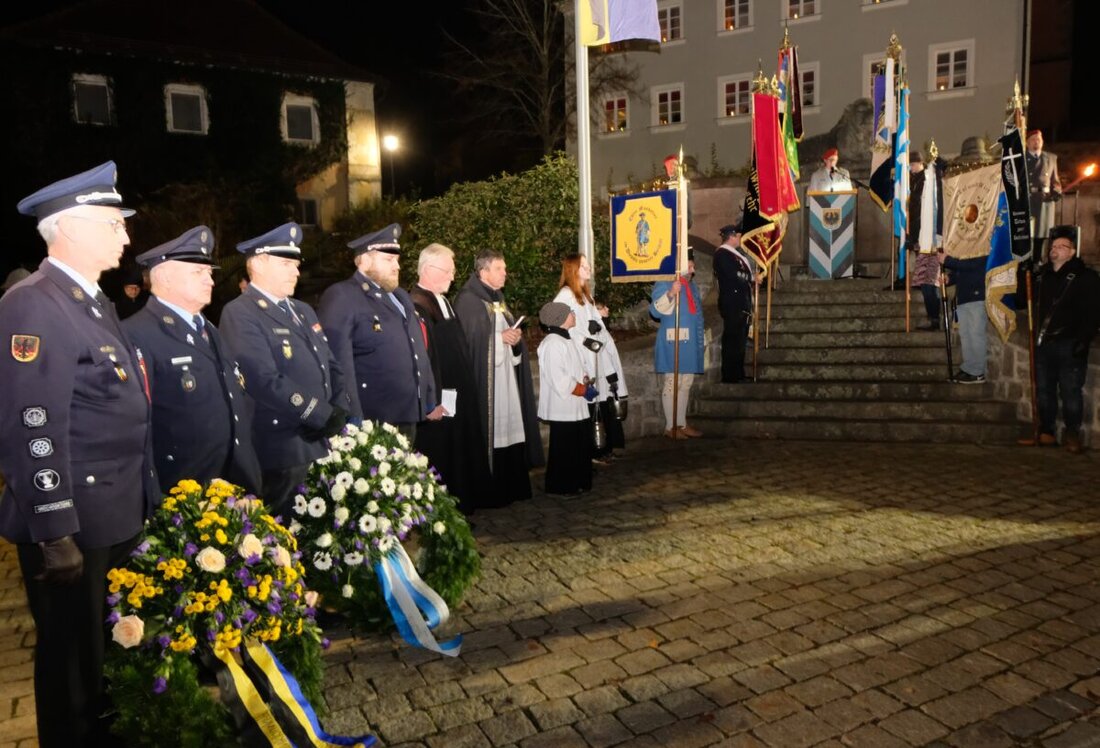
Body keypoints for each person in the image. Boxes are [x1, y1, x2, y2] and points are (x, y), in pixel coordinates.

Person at [0, 161, 158, 747]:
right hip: (77, 525)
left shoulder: (91, 301)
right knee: (73, 668)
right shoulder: (34, 303)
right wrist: (54, 528)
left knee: (107, 658)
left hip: (114, 515)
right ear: (68, 227)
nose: (126, 235)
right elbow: (32, 425)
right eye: (113, 223)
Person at [218, 222, 349, 516]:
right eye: (287, 264)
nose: (297, 272)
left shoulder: (303, 310)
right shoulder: (240, 312)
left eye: (297, 264)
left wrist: (339, 409)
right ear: (258, 264)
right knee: (287, 530)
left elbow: (330, 364)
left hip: (319, 440)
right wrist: (318, 413)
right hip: (283, 446)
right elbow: (261, 378)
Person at [122, 225, 262, 494]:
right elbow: (136, 428)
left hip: (234, 480)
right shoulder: (136, 334)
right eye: (198, 272)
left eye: (209, 272)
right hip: (183, 490)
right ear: (165, 278)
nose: (210, 281)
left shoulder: (209, 330)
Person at [317, 223, 441, 442]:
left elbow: (418, 350)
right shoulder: (343, 296)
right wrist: (351, 414)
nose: (397, 266)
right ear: (364, 261)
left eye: (397, 260)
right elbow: (337, 361)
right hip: (372, 418)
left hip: (407, 413)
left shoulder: (401, 297)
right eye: (388, 260)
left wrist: (429, 397)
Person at [453, 249, 543, 506]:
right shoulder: (468, 301)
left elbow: (503, 332)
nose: (505, 273)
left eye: (504, 268)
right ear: (483, 272)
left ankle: (513, 486)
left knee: (510, 429)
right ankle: (492, 491)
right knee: (492, 430)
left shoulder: (497, 298)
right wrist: (499, 339)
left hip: (506, 379)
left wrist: (514, 340)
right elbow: (471, 342)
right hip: (487, 381)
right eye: (499, 269)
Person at [408, 243, 492, 511]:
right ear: (429, 269)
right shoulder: (417, 304)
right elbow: (422, 358)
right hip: (440, 396)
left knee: (459, 451)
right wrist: (431, 399)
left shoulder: (443, 300)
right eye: (448, 271)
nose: (453, 277)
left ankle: (462, 505)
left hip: (458, 393)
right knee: (442, 455)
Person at [1017, 225, 1100, 453]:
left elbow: (1093, 312)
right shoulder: (1042, 276)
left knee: (1070, 390)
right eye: (1053, 246)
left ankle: (1072, 433)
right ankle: (1047, 431)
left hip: (1070, 342)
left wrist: (1084, 339)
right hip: (1045, 343)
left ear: (1072, 252)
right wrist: (1023, 274)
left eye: (1062, 246)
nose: (1055, 249)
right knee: (1044, 389)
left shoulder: (1086, 277)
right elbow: (1023, 300)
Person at [553, 254, 628, 462]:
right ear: (573, 270)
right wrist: (587, 339)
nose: (589, 268)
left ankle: (602, 448)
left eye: (588, 265)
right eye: (584, 266)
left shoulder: (586, 296)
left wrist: (599, 331)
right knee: (590, 403)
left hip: (596, 356)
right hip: (583, 357)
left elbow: (594, 323)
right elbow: (561, 323)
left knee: (602, 401)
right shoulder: (565, 295)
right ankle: (591, 452)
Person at [536, 301, 595, 496]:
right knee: (565, 447)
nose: (573, 315)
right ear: (560, 318)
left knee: (578, 444)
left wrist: (585, 379)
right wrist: (581, 389)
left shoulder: (567, 339)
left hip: (575, 404)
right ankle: (561, 486)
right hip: (563, 406)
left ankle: (579, 481)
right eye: (570, 312)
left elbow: (577, 366)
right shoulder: (552, 343)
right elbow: (558, 377)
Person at [650, 253, 705, 438]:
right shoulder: (665, 282)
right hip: (673, 340)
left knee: (686, 382)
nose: (693, 270)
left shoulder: (691, 286)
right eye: (690, 266)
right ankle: (670, 426)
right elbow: (655, 311)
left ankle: (681, 424)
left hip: (690, 341)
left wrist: (701, 339)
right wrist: (671, 293)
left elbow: (697, 314)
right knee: (672, 383)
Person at [906, 151, 944, 330]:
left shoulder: (931, 182)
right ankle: (932, 317)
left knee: (930, 284)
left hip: (934, 243)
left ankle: (935, 318)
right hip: (923, 239)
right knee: (924, 284)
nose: (911, 168)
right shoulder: (914, 181)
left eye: (913, 164)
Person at [713, 222, 755, 383]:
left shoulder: (734, 254)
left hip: (740, 302)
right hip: (732, 303)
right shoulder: (722, 254)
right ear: (732, 236)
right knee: (733, 340)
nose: (740, 238)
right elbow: (734, 274)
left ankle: (738, 373)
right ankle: (730, 375)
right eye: (738, 235)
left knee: (740, 340)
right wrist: (751, 278)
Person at [937, 250, 988, 383]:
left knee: (975, 334)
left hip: (977, 294)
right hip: (963, 295)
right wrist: (950, 279)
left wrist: (947, 260)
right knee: (965, 335)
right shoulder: (965, 246)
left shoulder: (982, 244)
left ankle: (977, 372)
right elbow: (961, 270)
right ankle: (969, 368)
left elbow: (973, 264)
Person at [1026, 129, 1062, 249]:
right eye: (1033, 139)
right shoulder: (1021, 158)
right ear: (1027, 143)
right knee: (1026, 233)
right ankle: (1026, 259)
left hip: (1044, 200)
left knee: (1041, 234)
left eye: (1039, 139)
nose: (1036, 142)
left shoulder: (1051, 158)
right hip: (1027, 199)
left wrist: (1056, 192)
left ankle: (1038, 258)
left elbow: (1055, 180)